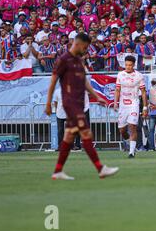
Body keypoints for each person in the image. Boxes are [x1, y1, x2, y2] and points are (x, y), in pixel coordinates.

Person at [45, 33, 119, 180]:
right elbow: (53, 81)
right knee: (86, 134)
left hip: (79, 103)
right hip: (70, 103)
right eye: (85, 47)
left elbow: (84, 81)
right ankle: (100, 168)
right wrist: (48, 103)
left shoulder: (78, 60)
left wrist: (97, 96)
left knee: (69, 136)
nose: (86, 50)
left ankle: (58, 171)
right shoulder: (63, 60)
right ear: (78, 44)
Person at [114, 55, 148, 158]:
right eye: (126, 65)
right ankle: (130, 142)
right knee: (122, 131)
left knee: (132, 126)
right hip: (123, 104)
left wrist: (145, 107)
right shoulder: (120, 75)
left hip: (134, 103)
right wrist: (115, 102)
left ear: (134, 65)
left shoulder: (139, 76)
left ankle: (132, 152)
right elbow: (117, 90)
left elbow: (143, 92)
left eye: (130, 65)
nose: (128, 67)